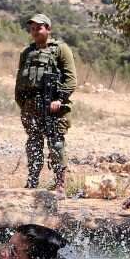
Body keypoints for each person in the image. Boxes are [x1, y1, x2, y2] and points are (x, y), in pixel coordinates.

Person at [14, 14, 77, 196]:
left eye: (39, 27)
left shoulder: (61, 50)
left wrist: (60, 99)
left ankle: (60, 185)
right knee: (33, 144)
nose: (35, 31)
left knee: (56, 144)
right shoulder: (27, 52)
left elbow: (71, 79)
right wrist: (23, 104)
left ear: (48, 29)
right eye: (32, 28)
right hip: (31, 106)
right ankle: (33, 181)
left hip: (53, 106)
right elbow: (20, 80)